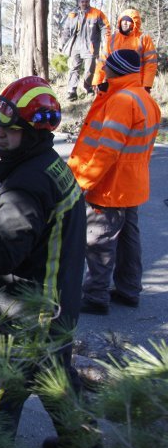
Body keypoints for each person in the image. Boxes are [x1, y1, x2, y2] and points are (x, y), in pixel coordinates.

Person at [0, 77, 101, 448]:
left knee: (3, 387)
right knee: (55, 374)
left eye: (10, 129)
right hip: (56, 301)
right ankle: (85, 443)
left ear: (31, 133)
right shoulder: (48, 166)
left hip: (27, 309)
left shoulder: (27, 184)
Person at [67, 49, 161, 314]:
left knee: (99, 240)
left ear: (115, 69)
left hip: (110, 185)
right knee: (129, 240)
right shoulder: (144, 98)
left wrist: (84, 181)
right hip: (132, 184)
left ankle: (96, 296)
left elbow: (107, 150)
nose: (102, 68)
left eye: (106, 64)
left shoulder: (121, 100)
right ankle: (129, 290)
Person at [92, 8, 158, 94]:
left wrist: (147, 85)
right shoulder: (112, 38)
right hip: (114, 83)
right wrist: (97, 81)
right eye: (123, 20)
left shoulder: (144, 38)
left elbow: (150, 64)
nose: (125, 23)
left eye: (128, 21)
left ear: (135, 23)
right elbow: (103, 61)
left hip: (136, 83)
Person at [59, 0, 110, 101]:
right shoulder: (73, 14)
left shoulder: (97, 13)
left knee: (89, 70)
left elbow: (105, 27)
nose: (84, 3)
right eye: (82, 2)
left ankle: (88, 88)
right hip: (75, 45)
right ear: (79, 2)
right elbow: (66, 30)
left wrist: (107, 41)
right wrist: (62, 43)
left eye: (86, 2)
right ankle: (71, 91)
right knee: (74, 68)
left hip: (90, 47)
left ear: (89, 2)